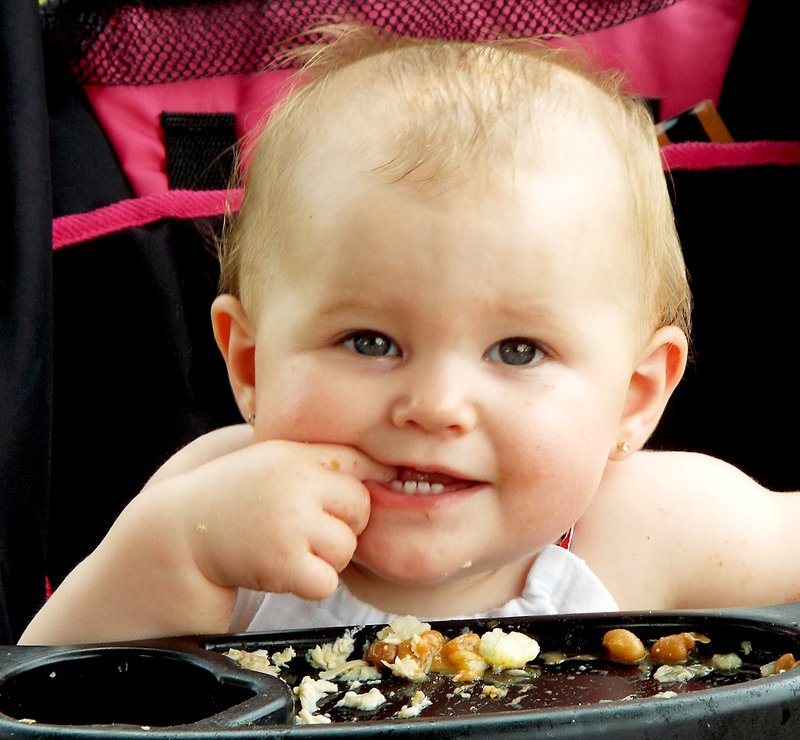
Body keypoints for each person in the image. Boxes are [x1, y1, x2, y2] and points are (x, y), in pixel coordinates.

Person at [20, 24, 800, 645]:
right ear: (251, 363)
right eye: (369, 341)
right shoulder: (216, 512)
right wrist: (176, 554)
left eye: (517, 351)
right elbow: (39, 688)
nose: (434, 406)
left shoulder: (651, 527)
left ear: (633, 397)